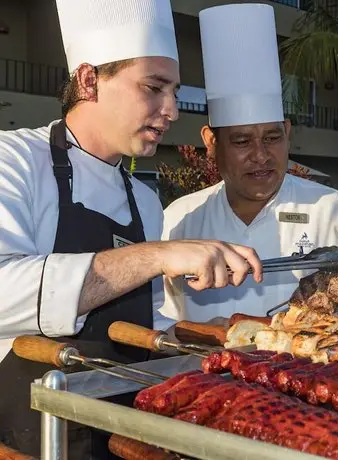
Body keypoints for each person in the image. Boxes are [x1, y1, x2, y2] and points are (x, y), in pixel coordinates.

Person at [0, 1, 262, 457]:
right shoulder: (14, 162)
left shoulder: (142, 199)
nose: (173, 110)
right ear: (88, 80)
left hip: (121, 431)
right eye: (153, 87)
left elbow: (137, 323)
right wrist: (157, 255)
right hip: (28, 435)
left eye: (175, 92)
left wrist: (200, 335)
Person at [159, 3, 338, 329]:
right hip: (204, 372)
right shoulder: (179, 219)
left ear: (288, 133)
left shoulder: (334, 209)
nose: (261, 155)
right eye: (242, 141)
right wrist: (208, 334)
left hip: (315, 374)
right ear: (211, 143)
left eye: (272, 138)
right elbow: (157, 313)